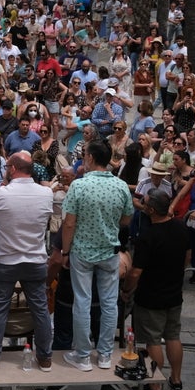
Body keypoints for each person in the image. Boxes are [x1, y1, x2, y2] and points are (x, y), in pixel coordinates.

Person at [60, 139, 133, 371]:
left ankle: (82, 355)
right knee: (109, 303)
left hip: (82, 251)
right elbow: (127, 218)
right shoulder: (120, 185)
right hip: (109, 251)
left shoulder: (79, 186)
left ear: (90, 157)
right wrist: (110, 226)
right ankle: (104, 354)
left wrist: (65, 250)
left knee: (82, 301)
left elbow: (69, 223)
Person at [0, 153, 53, 372]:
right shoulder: (46, 193)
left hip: (5, 260)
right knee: (39, 309)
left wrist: (3, 185)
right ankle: (45, 357)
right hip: (34, 258)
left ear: (12, 169)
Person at [122, 188, 189, 390]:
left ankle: (155, 385)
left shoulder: (148, 236)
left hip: (151, 295)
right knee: (173, 336)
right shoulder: (180, 228)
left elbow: (135, 272)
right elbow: (188, 255)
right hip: (173, 292)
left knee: (152, 341)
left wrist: (126, 290)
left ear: (150, 209)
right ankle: (176, 380)